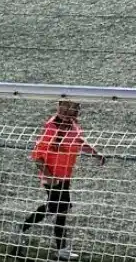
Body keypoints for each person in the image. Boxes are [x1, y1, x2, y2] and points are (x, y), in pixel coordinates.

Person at [20, 97, 104, 254]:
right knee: (62, 208)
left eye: (72, 109)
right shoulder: (53, 128)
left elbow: (78, 141)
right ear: (58, 107)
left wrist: (95, 153)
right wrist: (49, 176)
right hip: (53, 177)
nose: (67, 113)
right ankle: (62, 248)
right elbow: (37, 156)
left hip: (64, 176)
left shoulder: (71, 125)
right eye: (64, 109)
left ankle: (21, 229)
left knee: (54, 206)